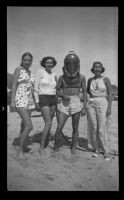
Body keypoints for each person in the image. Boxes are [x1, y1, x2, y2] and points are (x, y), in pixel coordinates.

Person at [54, 51, 87, 154]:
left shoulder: (81, 77)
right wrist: (63, 95)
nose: (71, 65)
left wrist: (84, 106)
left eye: (74, 63)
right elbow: (57, 90)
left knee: (75, 127)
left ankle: (73, 146)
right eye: (69, 63)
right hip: (64, 102)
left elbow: (85, 92)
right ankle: (56, 146)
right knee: (59, 126)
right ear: (66, 64)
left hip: (76, 101)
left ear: (77, 64)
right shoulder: (61, 77)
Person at [10, 52, 35, 159]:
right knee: (29, 125)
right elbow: (14, 85)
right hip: (20, 99)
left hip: (29, 101)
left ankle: (22, 145)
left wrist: (35, 101)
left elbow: (32, 89)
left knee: (24, 125)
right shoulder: (18, 69)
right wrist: (12, 101)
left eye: (29, 60)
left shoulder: (30, 72)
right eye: (25, 60)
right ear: (22, 60)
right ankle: (20, 151)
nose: (27, 62)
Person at [87, 61, 112, 161]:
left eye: (99, 67)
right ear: (93, 69)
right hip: (91, 104)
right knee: (93, 127)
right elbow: (88, 92)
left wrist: (109, 107)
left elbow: (110, 94)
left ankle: (105, 151)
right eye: (95, 67)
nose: (97, 69)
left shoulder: (106, 79)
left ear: (102, 69)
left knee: (102, 129)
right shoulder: (90, 80)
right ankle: (96, 148)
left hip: (103, 103)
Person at [34, 56, 57, 156]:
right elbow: (35, 88)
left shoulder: (55, 74)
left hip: (53, 99)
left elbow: (56, 88)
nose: (49, 64)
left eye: (51, 63)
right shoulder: (40, 72)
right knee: (48, 123)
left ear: (53, 64)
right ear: (44, 63)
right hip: (43, 98)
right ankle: (41, 148)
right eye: (47, 62)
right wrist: (37, 101)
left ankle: (46, 142)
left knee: (50, 123)